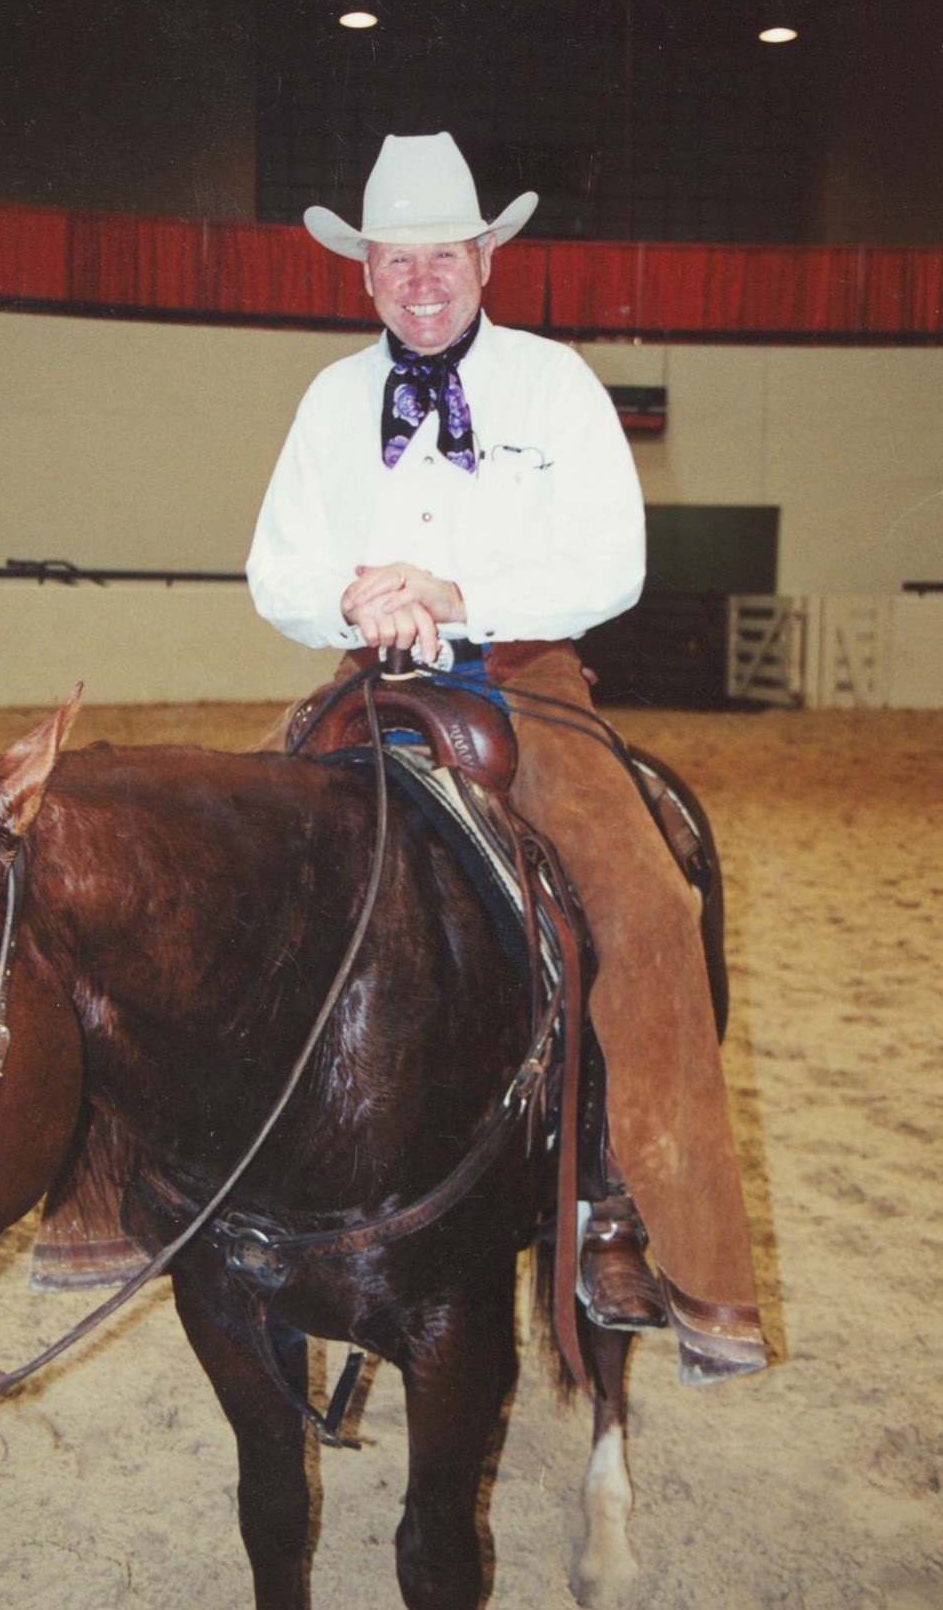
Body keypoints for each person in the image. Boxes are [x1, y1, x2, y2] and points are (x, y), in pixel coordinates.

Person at [246, 132, 767, 1386]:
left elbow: (613, 566)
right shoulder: (327, 401)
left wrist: (457, 587)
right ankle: (202, 1197)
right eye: (395, 262)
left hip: (529, 681)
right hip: (371, 679)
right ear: (363, 273)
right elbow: (275, 568)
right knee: (235, 883)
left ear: (485, 258)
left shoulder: (555, 385)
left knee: (645, 909)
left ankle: (658, 1237)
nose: (420, 283)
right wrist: (358, 600)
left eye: (443, 257)